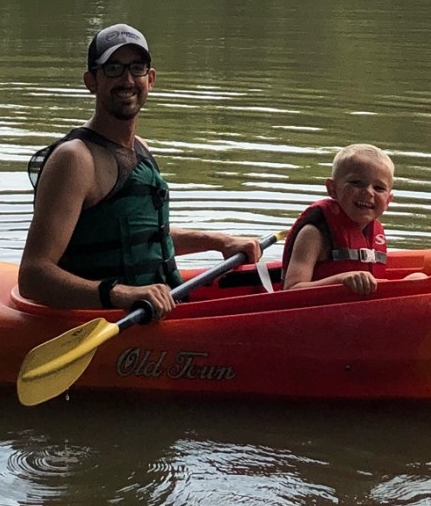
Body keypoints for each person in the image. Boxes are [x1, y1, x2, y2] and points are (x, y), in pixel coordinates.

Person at [19, 23, 261, 319]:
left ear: (151, 78)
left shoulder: (141, 148)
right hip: (113, 321)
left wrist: (220, 242)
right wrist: (121, 294)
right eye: (113, 69)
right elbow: (33, 276)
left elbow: (144, 237)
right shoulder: (75, 159)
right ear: (91, 81)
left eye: (137, 68)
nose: (127, 79)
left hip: (162, 310)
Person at [280, 143, 394, 295]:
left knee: (418, 277)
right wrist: (341, 280)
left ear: (388, 201)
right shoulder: (314, 234)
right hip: (316, 313)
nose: (368, 192)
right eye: (356, 183)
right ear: (332, 189)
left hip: (357, 313)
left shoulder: (374, 232)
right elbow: (291, 289)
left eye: (379, 188)